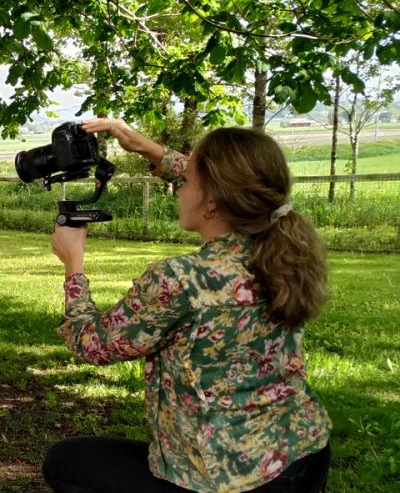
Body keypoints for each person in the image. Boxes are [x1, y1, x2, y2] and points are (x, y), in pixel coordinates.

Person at [42, 120, 332, 493]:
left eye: (186, 181)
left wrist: (73, 266)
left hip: (222, 479)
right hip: (303, 456)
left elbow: (91, 343)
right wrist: (151, 150)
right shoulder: (282, 253)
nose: (178, 188)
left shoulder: (181, 280)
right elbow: (232, 182)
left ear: (211, 200)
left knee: (65, 463)